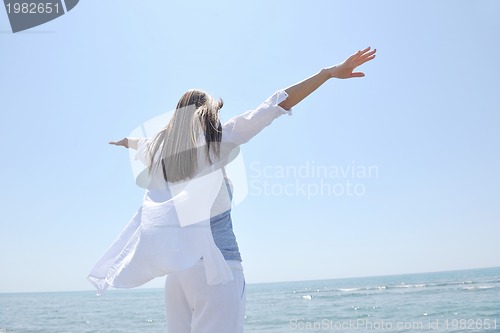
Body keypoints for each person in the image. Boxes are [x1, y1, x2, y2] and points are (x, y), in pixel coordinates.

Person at [88, 47, 376, 333]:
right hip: (217, 269)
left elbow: (142, 142)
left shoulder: (159, 151)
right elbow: (274, 105)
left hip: (178, 275)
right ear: (207, 113)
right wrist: (326, 74)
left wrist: (125, 142)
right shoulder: (218, 141)